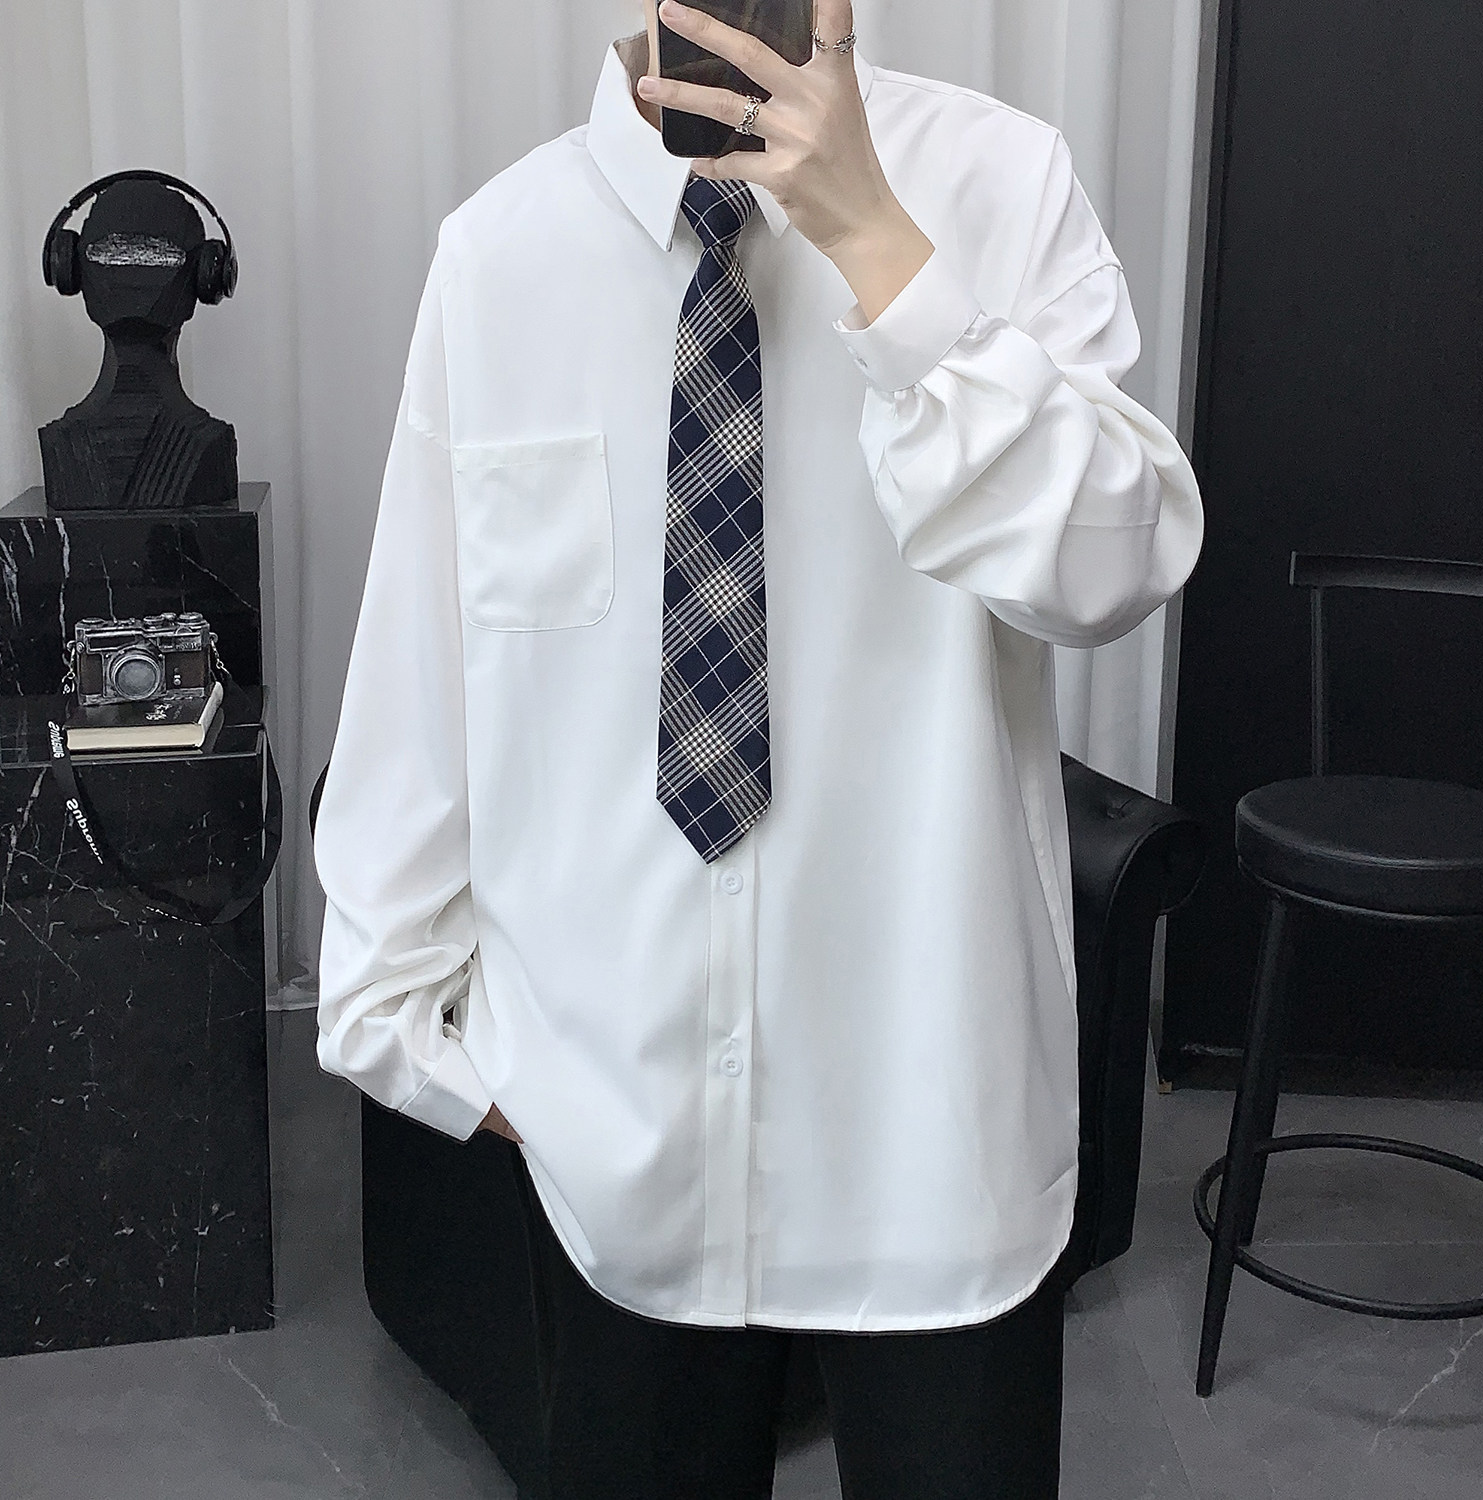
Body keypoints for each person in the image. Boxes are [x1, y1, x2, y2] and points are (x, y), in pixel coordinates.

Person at [312, 1, 1204, 1496]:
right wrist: (419, 1035)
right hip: (615, 1137)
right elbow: (425, 660)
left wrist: (883, 255)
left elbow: (1114, 568)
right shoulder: (501, 257)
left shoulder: (999, 184)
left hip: (932, 1122)